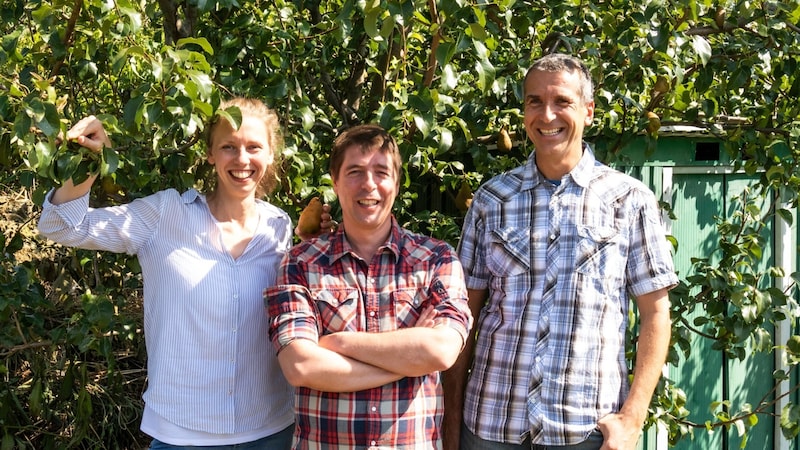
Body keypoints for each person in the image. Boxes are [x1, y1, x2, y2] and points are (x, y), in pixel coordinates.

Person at [38, 97, 330, 449]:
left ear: (270, 156)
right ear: (210, 153)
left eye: (254, 147)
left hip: (271, 430)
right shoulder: (164, 215)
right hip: (181, 435)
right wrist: (88, 159)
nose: (242, 159)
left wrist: (311, 249)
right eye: (228, 147)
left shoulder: (279, 227)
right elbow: (62, 227)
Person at [443, 53, 679, 450]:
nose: (547, 114)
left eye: (562, 102)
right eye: (534, 101)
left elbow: (656, 314)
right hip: (490, 424)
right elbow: (462, 315)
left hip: (585, 430)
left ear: (588, 111)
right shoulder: (491, 200)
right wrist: (450, 418)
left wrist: (633, 419)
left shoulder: (629, 200)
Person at [264, 124, 473, 449]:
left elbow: (441, 350)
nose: (369, 184)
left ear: (397, 183)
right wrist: (407, 363)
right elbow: (302, 365)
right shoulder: (300, 264)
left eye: (381, 171)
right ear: (335, 181)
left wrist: (338, 342)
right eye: (355, 171)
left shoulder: (436, 259)